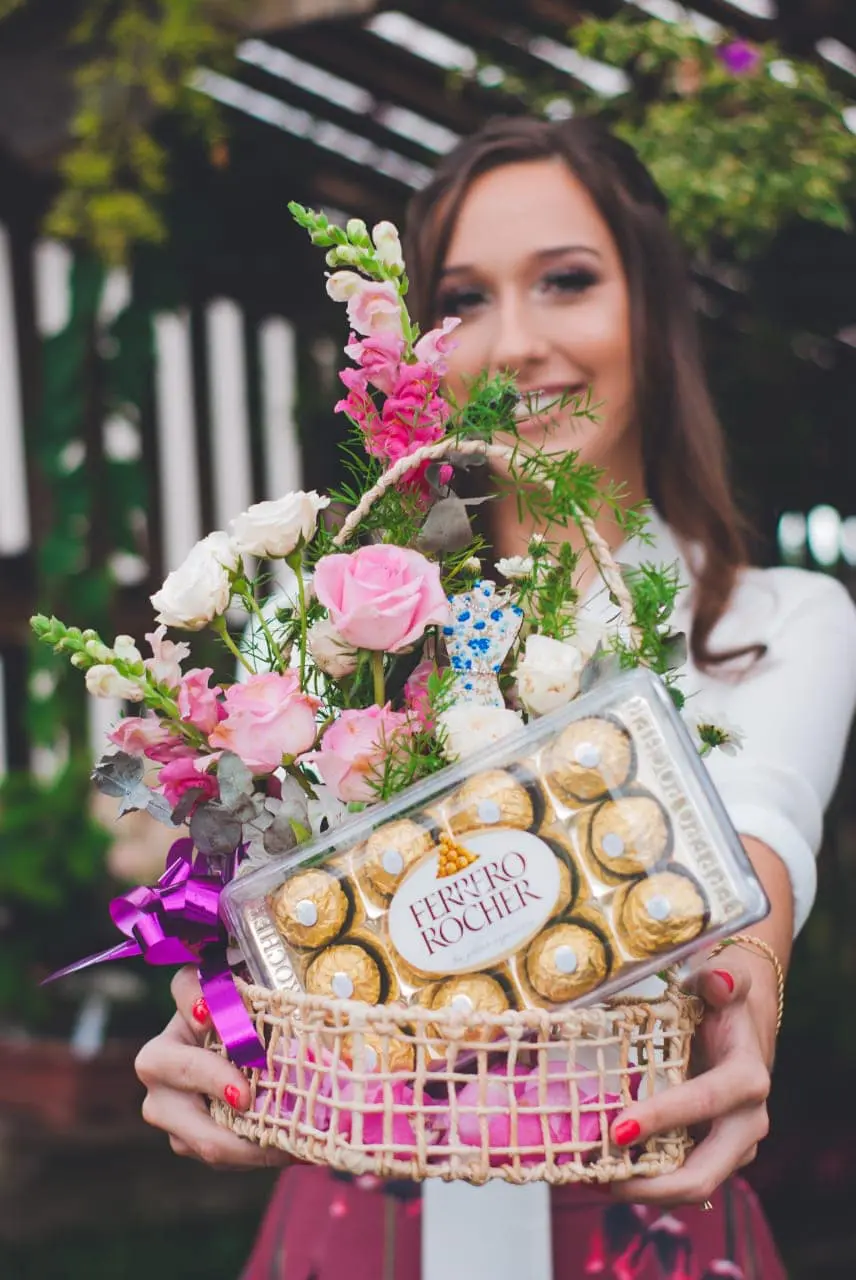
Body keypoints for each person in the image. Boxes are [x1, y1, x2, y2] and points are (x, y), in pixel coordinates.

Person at [134, 116, 856, 1279]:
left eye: (565, 280)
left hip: (639, 1224)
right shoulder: (333, 634)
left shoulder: (776, 623)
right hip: (355, 1227)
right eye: (465, 300)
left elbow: (757, 835)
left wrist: (744, 991)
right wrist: (211, 1018)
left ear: (650, 309)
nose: (516, 343)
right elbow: (255, 921)